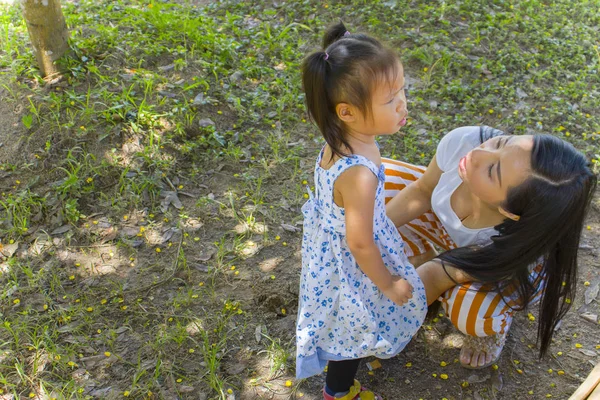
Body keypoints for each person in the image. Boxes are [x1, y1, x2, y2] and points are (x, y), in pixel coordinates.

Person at [295, 22, 470, 399]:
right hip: (352, 260)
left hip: (336, 247)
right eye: (390, 100)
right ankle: (338, 391)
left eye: (402, 90)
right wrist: (388, 283)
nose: (403, 104)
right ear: (349, 112)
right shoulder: (358, 173)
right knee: (351, 326)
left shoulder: (343, 140)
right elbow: (360, 243)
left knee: (350, 320)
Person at [384, 125, 597, 368]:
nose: (478, 153)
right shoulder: (466, 141)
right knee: (374, 183)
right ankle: (420, 254)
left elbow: (435, 276)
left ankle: (491, 332)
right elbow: (422, 191)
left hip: (502, 268)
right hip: (454, 235)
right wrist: (369, 234)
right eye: (502, 143)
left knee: (471, 310)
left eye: (492, 170)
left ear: (508, 210)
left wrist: (387, 319)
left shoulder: (513, 246)